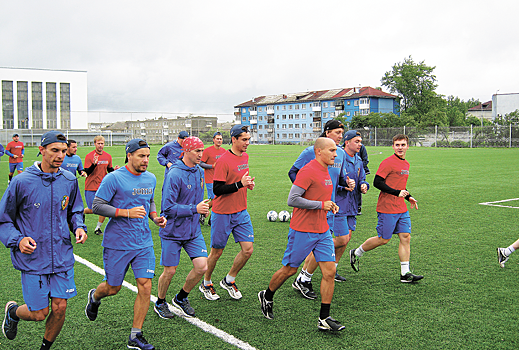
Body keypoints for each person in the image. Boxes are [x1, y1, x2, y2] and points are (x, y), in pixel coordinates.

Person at [0, 131, 87, 350]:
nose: (60, 156)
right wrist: (18, 240)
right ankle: (12, 312)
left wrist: (79, 227)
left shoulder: (69, 179)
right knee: (39, 314)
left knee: (60, 308)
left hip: (61, 255)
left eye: (63, 151)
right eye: (55, 150)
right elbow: (4, 220)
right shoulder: (21, 182)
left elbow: (75, 210)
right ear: (42, 150)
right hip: (33, 258)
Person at [85, 139, 166, 350]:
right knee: (113, 288)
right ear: (129, 155)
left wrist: (155, 217)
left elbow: (149, 201)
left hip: (143, 242)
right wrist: (125, 213)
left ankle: (135, 335)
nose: (146, 160)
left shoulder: (150, 178)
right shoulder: (114, 178)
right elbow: (97, 205)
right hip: (117, 243)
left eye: (148, 156)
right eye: (141, 156)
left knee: (145, 285)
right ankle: (94, 297)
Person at [258, 137, 345, 331]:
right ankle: (267, 295)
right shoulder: (307, 171)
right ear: (319, 152)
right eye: (331, 150)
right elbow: (293, 199)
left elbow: (320, 197)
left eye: (335, 150)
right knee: (290, 270)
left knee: (329, 272)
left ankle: (324, 318)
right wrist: (321, 205)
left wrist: (329, 206)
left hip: (322, 230)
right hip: (302, 230)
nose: (335, 154)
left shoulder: (327, 170)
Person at [289, 120, 351, 301]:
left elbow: (338, 177)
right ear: (327, 133)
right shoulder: (311, 152)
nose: (341, 136)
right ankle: (303, 278)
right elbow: (293, 172)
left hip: (331, 206)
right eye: (338, 132)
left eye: (342, 133)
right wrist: (306, 195)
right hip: (314, 208)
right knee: (316, 246)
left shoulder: (341, 153)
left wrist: (346, 183)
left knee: (340, 239)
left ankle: (306, 277)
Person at [349, 134, 423, 283]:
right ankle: (356, 252)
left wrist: (409, 197)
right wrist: (397, 193)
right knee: (384, 239)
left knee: (405, 237)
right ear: (393, 146)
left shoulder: (406, 164)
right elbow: (377, 182)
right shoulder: (388, 162)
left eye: (403, 145)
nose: (400, 148)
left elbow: (400, 186)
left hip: (401, 208)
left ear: (408, 146)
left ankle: (405, 273)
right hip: (387, 207)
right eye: (397, 145)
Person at [155, 136, 210, 319]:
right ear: (185, 151)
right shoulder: (174, 174)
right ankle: (160, 302)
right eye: (197, 151)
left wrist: (202, 209)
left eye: (202, 150)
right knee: (170, 271)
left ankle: (181, 297)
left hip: (192, 230)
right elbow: (167, 208)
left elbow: (196, 198)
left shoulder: (199, 171)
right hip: (172, 231)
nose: (201, 155)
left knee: (202, 266)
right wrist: (194, 208)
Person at [200, 125, 255, 301]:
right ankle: (206, 283)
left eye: (248, 139)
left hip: (241, 212)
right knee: (217, 252)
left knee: (248, 250)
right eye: (244, 139)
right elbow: (217, 189)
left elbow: (242, 179)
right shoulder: (223, 160)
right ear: (234, 139)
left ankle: (229, 280)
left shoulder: (245, 156)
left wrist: (248, 183)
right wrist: (240, 184)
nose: (247, 142)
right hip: (223, 213)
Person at [84, 136, 119, 235]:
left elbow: (109, 170)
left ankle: (98, 228)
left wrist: (114, 170)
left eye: (102, 143)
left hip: (103, 186)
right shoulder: (89, 156)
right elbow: (87, 172)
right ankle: (81, 212)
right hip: (90, 186)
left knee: (104, 207)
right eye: (98, 143)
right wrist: (94, 164)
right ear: (94, 144)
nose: (100, 145)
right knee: (93, 209)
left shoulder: (108, 156)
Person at [199, 131, 226, 225]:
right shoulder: (207, 151)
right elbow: (201, 163)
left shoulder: (224, 151)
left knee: (217, 199)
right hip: (210, 179)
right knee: (216, 199)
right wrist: (211, 166)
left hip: (221, 179)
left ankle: (202, 213)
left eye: (220, 139)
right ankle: (211, 220)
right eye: (217, 139)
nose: (219, 140)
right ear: (213, 140)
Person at [357, 144, 370, 214]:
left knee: (360, 186)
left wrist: (361, 167)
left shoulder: (362, 147)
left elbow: (365, 159)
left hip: (359, 170)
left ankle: (358, 206)